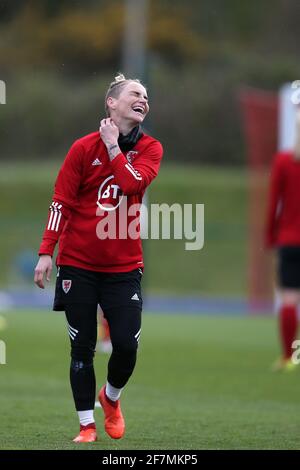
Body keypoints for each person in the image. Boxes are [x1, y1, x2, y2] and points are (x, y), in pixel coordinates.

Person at [34, 73, 163, 442]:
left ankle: (111, 397)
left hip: (124, 267)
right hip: (78, 264)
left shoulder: (152, 148)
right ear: (112, 103)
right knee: (82, 346)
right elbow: (61, 201)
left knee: (125, 345)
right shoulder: (81, 148)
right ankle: (86, 425)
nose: (144, 100)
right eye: (136, 94)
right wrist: (47, 251)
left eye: (147, 96)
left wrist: (112, 148)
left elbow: (131, 184)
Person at [265, 111, 300, 371]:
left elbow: (273, 203)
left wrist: (270, 237)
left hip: (289, 240)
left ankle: (289, 357)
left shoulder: (284, 161)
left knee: (289, 299)